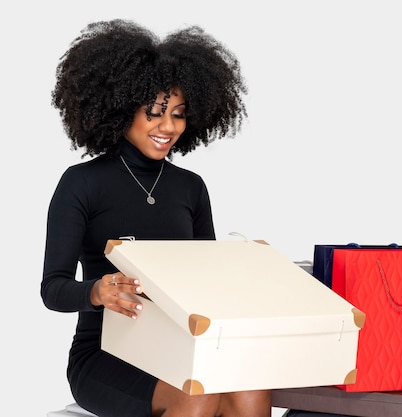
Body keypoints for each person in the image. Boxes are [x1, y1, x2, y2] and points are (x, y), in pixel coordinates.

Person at [40, 19, 271, 417]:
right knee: (197, 396)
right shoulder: (82, 183)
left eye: (179, 114)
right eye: (154, 112)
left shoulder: (190, 187)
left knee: (250, 391)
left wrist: (248, 269)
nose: (168, 127)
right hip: (105, 355)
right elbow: (52, 289)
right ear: (121, 108)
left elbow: (207, 284)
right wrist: (98, 291)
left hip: (179, 345)